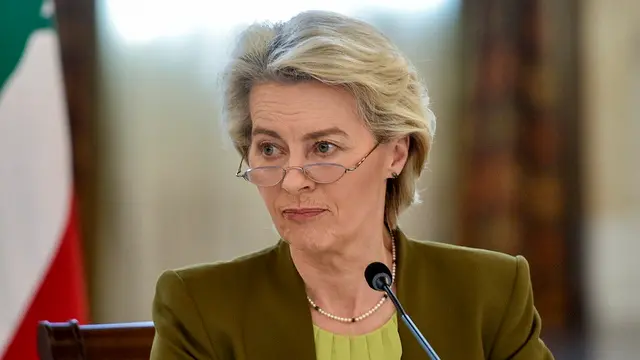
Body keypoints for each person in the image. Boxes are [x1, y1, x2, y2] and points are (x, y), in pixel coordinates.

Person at [149, 10, 554, 360]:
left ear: (395, 154)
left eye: (323, 147)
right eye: (270, 149)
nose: (292, 180)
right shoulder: (198, 306)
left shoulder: (490, 293)